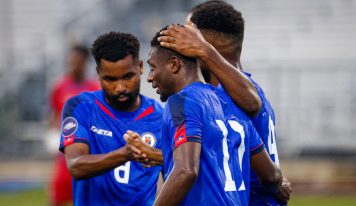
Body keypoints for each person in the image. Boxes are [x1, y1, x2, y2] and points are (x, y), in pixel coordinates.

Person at [124, 26, 283, 205]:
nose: (149, 77)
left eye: (153, 68)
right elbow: (273, 177)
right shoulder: (233, 104)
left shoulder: (181, 102)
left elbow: (185, 172)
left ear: (174, 64)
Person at [157, 1, 292, 205]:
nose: (182, 37)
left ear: (206, 41)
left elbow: (251, 105)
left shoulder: (233, 96)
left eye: (189, 32)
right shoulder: (246, 89)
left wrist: (205, 51)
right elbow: (217, 150)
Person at [58, 31, 163, 206]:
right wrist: (125, 154)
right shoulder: (80, 107)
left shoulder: (162, 116)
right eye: (110, 79)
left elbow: (178, 172)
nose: (120, 87)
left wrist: (156, 155)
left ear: (140, 67)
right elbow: (76, 166)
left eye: (127, 76)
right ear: (98, 73)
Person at [48, 45, 100, 206]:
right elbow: (54, 115)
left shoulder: (94, 88)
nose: (74, 64)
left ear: (85, 62)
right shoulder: (59, 87)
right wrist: (51, 133)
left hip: (87, 151)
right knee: (58, 194)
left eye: (77, 61)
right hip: (65, 151)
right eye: (71, 60)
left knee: (87, 195)